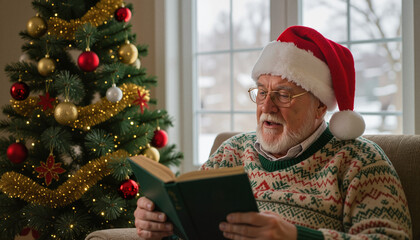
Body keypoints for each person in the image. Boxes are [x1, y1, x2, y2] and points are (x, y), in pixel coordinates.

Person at [134, 26, 412, 240]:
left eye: (283, 94)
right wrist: (159, 226)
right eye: (263, 92)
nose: (266, 106)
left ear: (319, 106)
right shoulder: (232, 152)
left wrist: (294, 236)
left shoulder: (359, 160)